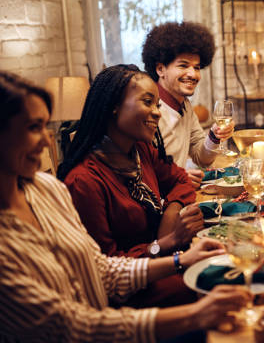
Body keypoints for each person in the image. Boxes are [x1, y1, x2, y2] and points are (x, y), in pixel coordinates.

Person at [0, 71, 250, 342]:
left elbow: (100, 268)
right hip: (112, 320)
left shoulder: (45, 190)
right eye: (34, 127)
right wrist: (192, 309)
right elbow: (71, 325)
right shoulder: (81, 181)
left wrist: (180, 257)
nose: (48, 140)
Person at [58, 65, 206, 308]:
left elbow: (179, 179)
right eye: (147, 102)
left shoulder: (140, 151)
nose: (157, 113)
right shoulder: (84, 181)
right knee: (206, 286)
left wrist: (171, 213)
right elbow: (105, 269)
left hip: (162, 264)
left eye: (157, 105)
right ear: (114, 105)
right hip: (127, 294)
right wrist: (167, 243)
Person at [142, 22, 234, 188]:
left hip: (179, 196)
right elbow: (140, 172)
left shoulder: (184, 105)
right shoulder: (147, 111)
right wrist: (178, 176)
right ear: (160, 69)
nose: (193, 74)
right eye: (183, 65)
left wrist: (214, 136)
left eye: (197, 67)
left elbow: (201, 158)